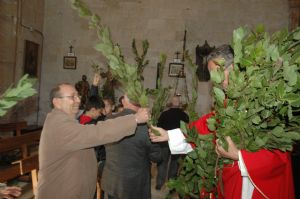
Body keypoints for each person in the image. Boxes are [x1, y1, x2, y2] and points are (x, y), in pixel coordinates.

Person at [149, 45, 295, 199]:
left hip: (252, 185)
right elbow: (205, 126)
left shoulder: (264, 102)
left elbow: (280, 152)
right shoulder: (229, 102)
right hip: (229, 180)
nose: (213, 79)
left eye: (216, 72)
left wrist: (239, 156)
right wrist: (169, 135)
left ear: (232, 68)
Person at [36, 83, 150, 199]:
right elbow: (97, 132)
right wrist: (134, 119)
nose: (78, 100)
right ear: (57, 102)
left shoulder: (65, 120)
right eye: (72, 97)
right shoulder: (58, 124)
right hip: (60, 193)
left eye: (78, 96)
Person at [101, 94, 162, 199]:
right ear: (141, 102)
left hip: (113, 181)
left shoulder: (108, 119)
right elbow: (157, 157)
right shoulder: (146, 127)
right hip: (135, 185)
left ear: (123, 101)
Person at [155, 96, 189, 190]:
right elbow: (187, 130)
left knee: (162, 162)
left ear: (170, 103)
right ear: (180, 103)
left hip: (164, 141)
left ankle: (159, 183)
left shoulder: (164, 114)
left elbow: (158, 127)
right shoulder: (184, 115)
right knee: (175, 163)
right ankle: (172, 184)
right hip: (178, 142)